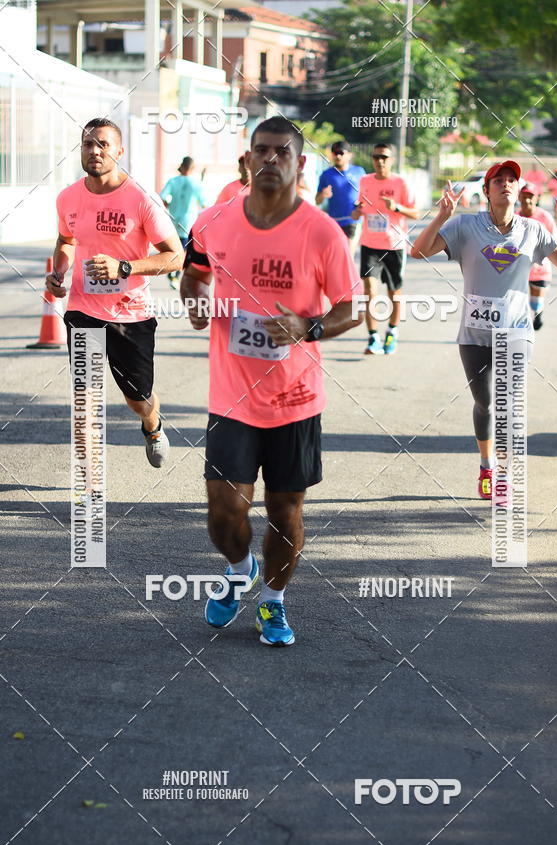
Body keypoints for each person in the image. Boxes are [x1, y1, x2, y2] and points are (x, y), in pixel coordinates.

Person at [180, 116, 361, 646]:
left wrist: (309, 326)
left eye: (281, 152)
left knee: (285, 511)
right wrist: (194, 301)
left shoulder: (322, 232)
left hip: (296, 399)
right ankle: (240, 571)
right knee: (224, 512)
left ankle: (274, 604)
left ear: (300, 163)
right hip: (231, 396)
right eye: (261, 150)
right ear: (248, 158)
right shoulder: (214, 221)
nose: (269, 159)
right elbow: (193, 272)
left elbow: (351, 307)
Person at [411, 160, 557, 499]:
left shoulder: (532, 230)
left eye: (511, 180)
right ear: (486, 190)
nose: (506, 184)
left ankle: (503, 472)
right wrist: (442, 215)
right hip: (474, 335)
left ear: (518, 190)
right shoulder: (465, 226)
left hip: (516, 332)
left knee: (507, 405)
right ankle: (486, 465)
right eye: (497, 180)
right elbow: (418, 251)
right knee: (485, 404)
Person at [46, 117, 183, 468]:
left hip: (130, 314)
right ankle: (89, 476)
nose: (95, 151)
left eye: (103, 144)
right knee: (85, 394)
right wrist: (59, 270)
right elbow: (66, 241)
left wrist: (125, 267)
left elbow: (176, 256)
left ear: (119, 151)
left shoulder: (140, 199)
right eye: (89, 144)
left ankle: (152, 426)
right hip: (82, 309)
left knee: (137, 398)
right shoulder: (68, 198)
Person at [351, 142, 418, 356]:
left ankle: (392, 331)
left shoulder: (400, 182)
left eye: (384, 157)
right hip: (370, 244)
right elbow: (359, 208)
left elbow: (415, 213)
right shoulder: (364, 181)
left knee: (394, 293)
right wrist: (356, 213)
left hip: (394, 245)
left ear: (391, 160)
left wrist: (396, 207)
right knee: (369, 290)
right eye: (376, 157)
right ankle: (373, 337)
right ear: (372, 159)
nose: (380, 161)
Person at [516, 182, 557, 330]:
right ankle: (522, 322)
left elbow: (553, 242)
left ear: (537, 198)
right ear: (519, 196)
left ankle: (537, 315)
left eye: (531, 196)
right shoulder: (513, 217)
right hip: (519, 267)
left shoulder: (545, 218)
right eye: (524, 195)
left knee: (536, 298)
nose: (527, 199)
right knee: (518, 299)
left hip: (540, 267)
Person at [160, 156, 205, 288]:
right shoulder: (196, 184)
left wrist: (168, 205)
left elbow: (162, 197)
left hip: (173, 221)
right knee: (184, 251)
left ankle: (173, 273)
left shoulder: (173, 181)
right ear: (192, 168)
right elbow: (204, 203)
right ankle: (174, 275)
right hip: (188, 223)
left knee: (173, 248)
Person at [315, 140, 366, 246]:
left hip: (352, 220)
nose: (338, 156)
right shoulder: (326, 174)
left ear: (349, 155)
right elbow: (317, 200)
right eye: (335, 152)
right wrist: (323, 195)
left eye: (341, 153)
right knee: (335, 256)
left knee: (347, 254)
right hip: (333, 221)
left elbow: (367, 195)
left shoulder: (359, 171)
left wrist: (362, 205)